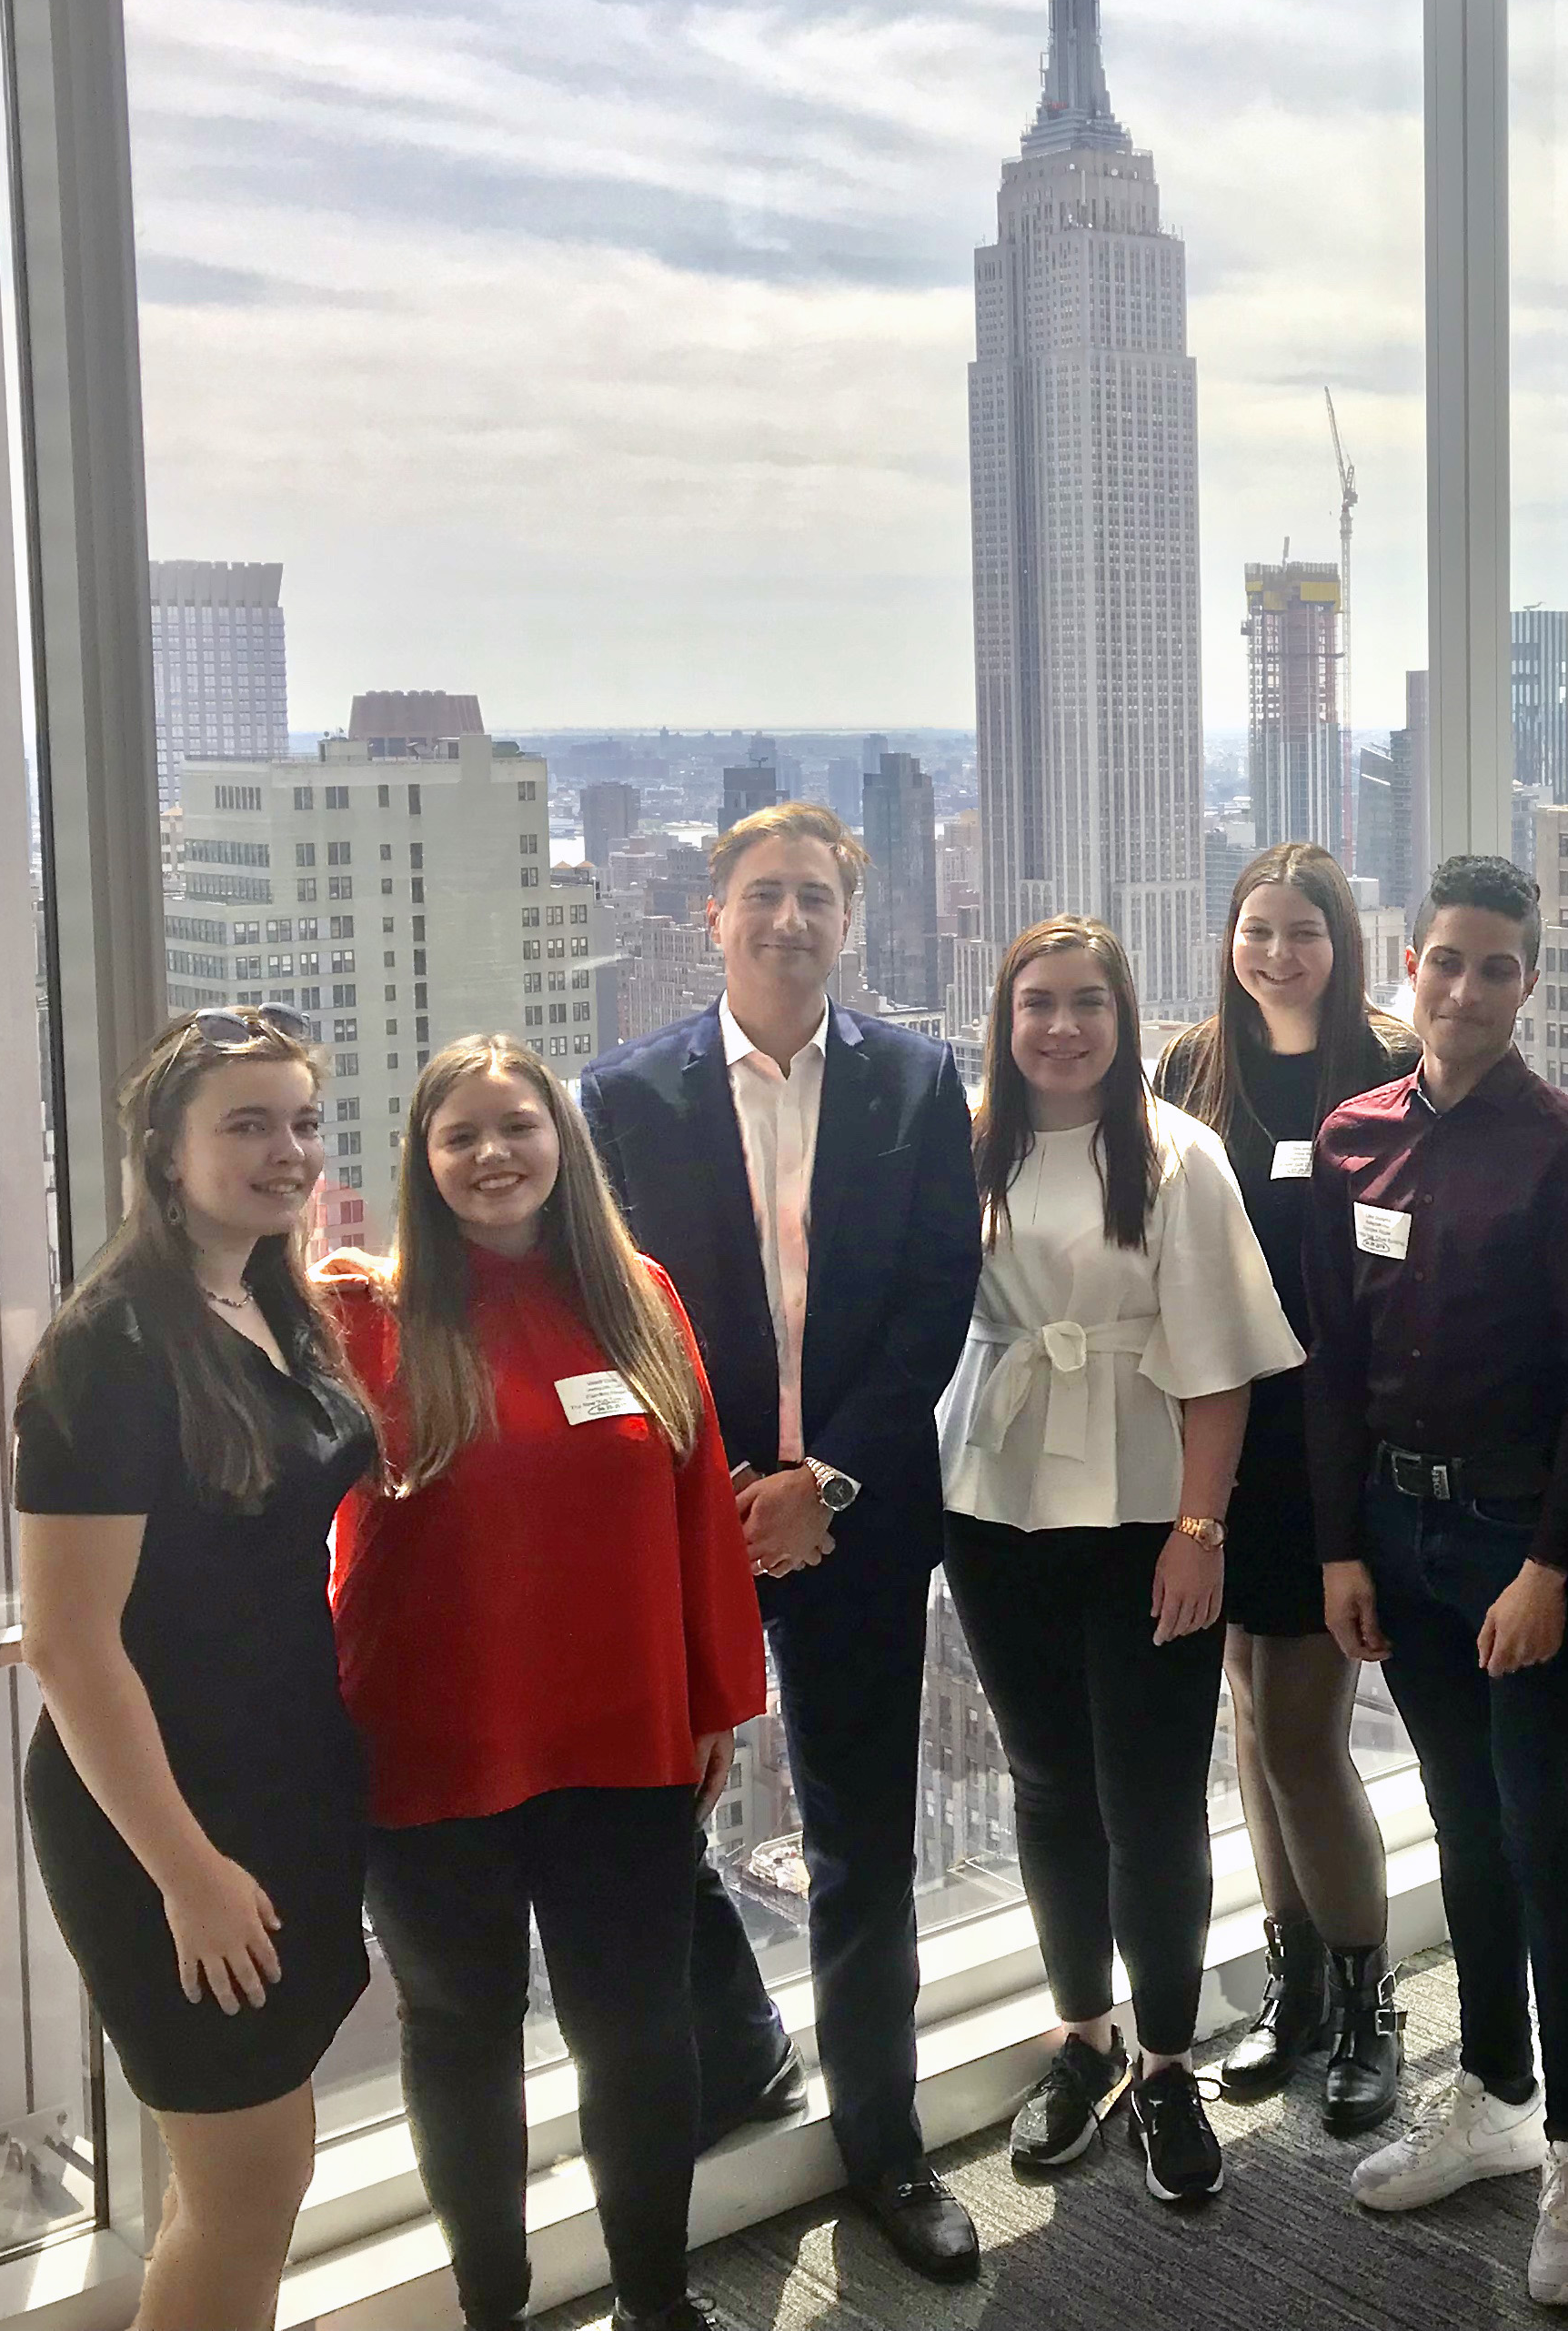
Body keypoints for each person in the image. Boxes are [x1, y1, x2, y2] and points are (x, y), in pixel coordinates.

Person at [578, 800, 987, 2284]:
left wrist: (832, 1485)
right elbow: (609, 1315)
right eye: (763, 896)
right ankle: (737, 2056)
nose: (789, 921)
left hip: (858, 1526)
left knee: (862, 1844)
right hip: (684, 1523)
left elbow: (940, 1300)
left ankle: (885, 2141)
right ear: (713, 915)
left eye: (815, 898)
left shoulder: (917, 1082)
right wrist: (727, 1489)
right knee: (643, 1822)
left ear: (847, 919)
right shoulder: (623, 1098)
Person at [324, 1036, 763, 2331]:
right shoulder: (366, 1319)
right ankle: (494, 2312)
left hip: (620, 1734)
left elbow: (696, 1510)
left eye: (515, 1126)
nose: (491, 1156)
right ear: (422, 1163)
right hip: (429, 1743)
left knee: (635, 2029)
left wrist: (710, 1701)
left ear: (561, 1145)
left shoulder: (637, 1297)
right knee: (462, 2035)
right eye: (458, 1137)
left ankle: (654, 2301)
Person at [1308, 853, 1568, 2308]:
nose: (1465, 989)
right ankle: (1495, 2097)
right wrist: (1335, 1545)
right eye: (1446, 960)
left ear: (1527, 985)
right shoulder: (1351, 1138)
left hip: (1520, 1548)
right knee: (1458, 1823)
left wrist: (1554, 1565)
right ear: (1409, 963)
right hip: (1400, 1535)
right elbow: (1329, 1361)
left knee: (1540, 1837)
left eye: (1496, 967)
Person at [14, 1007, 374, 2331]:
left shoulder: (270, 1294)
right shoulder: (109, 1350)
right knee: (245, 2189)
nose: (288, 1151)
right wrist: (189, 1874)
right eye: (246, 1125)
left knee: (234, 2185)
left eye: (302, 1121)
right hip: (168, 1816)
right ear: (166, 1154)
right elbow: (68, 1643)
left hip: (281, 1775)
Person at [946, 915, 1302, 2203]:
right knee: (1047, 1785)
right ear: (1005, 1015)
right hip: (995, 1506)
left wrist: (1200, 1532)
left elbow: (1222, 1363)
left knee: (1149, 1796)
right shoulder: (962, 1143)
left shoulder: (1175, 1153)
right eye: (1037, 1001)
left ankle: (1163, 2064)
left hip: (1151, 1510)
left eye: (1088, 1001)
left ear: (1124, 1015)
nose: (1061, 1026)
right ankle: (1082, 2037)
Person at [1154, 841, 1414, 2133]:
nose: (1277, 953)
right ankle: (1296, 1982)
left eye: (1303, 931)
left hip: (1334, 1437)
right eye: (1258, 928)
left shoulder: (1388, 1069)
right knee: (1248, 1719)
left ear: (1341, 941)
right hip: (1222, 1436)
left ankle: (1373, 2003)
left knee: (1305, 1733)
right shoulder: (1188, 1071)